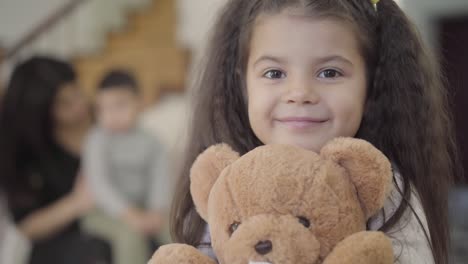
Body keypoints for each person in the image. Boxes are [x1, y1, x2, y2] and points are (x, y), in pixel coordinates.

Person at [169, 0, 459, 263]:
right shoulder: (226, 189)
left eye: (329, 73)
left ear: (371, 87)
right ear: (243, 86)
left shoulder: (386, 193)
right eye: (274, 73)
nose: (300, 93)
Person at [0, 56, 111, 263]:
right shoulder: (21, 152)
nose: (79, 106)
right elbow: (27, 227)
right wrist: (78, 202)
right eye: (64, 103)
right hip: (60, 248)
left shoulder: (106, 124)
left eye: (77, 92)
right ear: (41, 112)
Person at [82, 69, 170, 264]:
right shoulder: (96, 140)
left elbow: (159, 180)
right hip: (102, 212)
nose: (111, 114)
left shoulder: (153, 142)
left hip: (143, 207)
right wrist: (130, 215)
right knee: (130, 235)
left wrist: (156, 211)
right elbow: (100, 185)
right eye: (103, 108)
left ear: (139, 102)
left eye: (119, 105)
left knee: (173, 228)